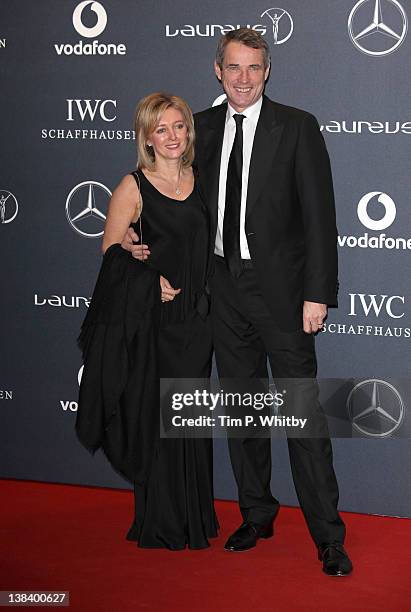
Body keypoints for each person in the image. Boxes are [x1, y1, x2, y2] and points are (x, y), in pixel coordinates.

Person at [123, 29, 352, 575]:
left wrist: (318, 293)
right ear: (217, 72)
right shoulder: (196, 128)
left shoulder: (296, 126)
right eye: (233, 68)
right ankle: (257, 514)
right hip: (219, 292)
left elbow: (321, 218)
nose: (243, 78)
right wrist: (134, 242)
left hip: (284, 297)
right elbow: (164, 196)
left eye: (254, 67)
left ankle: (328, 536)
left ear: (267, 71)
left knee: (302, 415)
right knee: (243, 410)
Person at [79, 92, 218, 550]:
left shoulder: (204, 179)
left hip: (197, 321)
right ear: (147, 138)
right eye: (162, 129)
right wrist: (147, 276)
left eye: (178, 126)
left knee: (190, 419)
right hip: (156, 320)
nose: (173, 136)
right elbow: (110, 253)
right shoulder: (133, 186)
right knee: (159, 418)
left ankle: (195, 518)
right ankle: (161, 521)